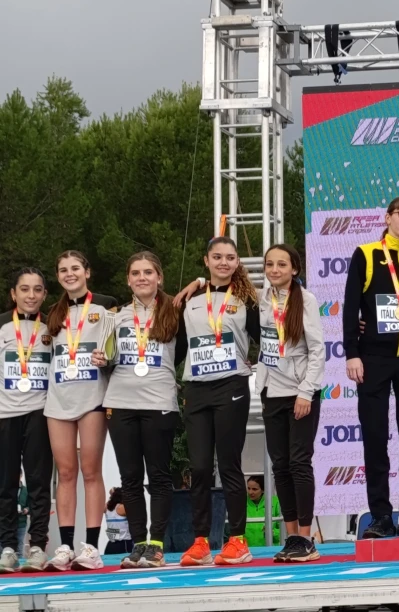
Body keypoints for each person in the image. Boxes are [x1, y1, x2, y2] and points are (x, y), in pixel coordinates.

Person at [343, 197, 399, 539]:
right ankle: (381, 516)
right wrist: (352, 352)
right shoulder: (365, 254)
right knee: (376, 439)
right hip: (374, 359)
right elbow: (351, 306)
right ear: (387, 217)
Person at [176, 236, 261, 566]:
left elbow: (266, 337)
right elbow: (178, 348)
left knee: (228, 464)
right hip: (196, 389)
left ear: (237, 262)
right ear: (206, 260)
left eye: (230, 257)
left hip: (232, 386)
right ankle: (200, 542)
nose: (224, 262)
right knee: (198, 467)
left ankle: (237, 540)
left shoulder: (246, 300)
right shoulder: (190, 298)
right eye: (217, 257)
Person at [106, 252, 183, 569]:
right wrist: (101, 360)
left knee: (160, 477)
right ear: (128, 279)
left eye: (148, 272)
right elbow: (107, 355)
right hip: (121, 402)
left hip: (159, 402)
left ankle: (156, 544)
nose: (142, 277)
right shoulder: (116, 317)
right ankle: (138, 545)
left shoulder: (174, 313)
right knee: (130, 479)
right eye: (135, 273)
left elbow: (184, 352)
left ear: (159, 277)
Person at [45, 251, 118, 571]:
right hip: (58, 400)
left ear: (87, 271)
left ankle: (90, 546)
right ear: (58, 276)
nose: (69, 273)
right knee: (65, 474)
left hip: (92, 398)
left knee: (91, 471)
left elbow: (116, 349)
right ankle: (64, 546)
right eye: (63, 270)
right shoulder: (52, 312)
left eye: (75, 268)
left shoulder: (106, 306)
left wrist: (108, 359)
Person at [258, 244, 324, 561]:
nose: (274, 270)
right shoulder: (261, 298)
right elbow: (226, 282)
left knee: (299, 463)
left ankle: (307, 539)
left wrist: (306, 391)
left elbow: (317, 350)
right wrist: (200, 284)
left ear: (294, 269)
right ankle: (292, 537)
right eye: (269, 264)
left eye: (281, 264)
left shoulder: (305, 300)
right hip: (272, 392)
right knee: (280, 466)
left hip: (300, 392)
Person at [0, 269, 53, 574]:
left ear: (45, 294)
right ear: (14, 294)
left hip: (40, 413)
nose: (30, 295)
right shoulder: (2, 326)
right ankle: (7, 547)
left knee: (38, 483)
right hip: (5, 414)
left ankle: (37, 546)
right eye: (24, 289)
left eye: (37, 290)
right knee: (5, 485)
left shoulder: (54, 328)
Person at [244, 476, 281, 547]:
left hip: (269, 550)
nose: (250, 492)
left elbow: (284, 531)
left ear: (263, 490)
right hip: (246, 551)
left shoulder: (275, 502)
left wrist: (272, 532)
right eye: (248, 488)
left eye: (254, 489)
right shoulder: (241, 502)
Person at [103, 488, 132, 555]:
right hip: (124, 543)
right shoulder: (122, 508)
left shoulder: (106, 507)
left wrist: (113, 494)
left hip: (110, 544)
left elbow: (111, 491)